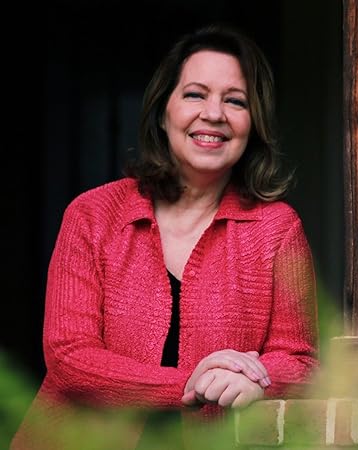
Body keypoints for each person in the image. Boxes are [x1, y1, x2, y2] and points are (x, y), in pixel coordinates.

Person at [11, 24, 318, 450]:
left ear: (254, 124)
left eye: (235, 100)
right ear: (162, 111)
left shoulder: (277, 228)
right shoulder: (92, 215)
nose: (214, 113)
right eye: (195, 94)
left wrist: (257, 380)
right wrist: (189, 384)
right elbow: (69, 357)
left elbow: (299, 360)